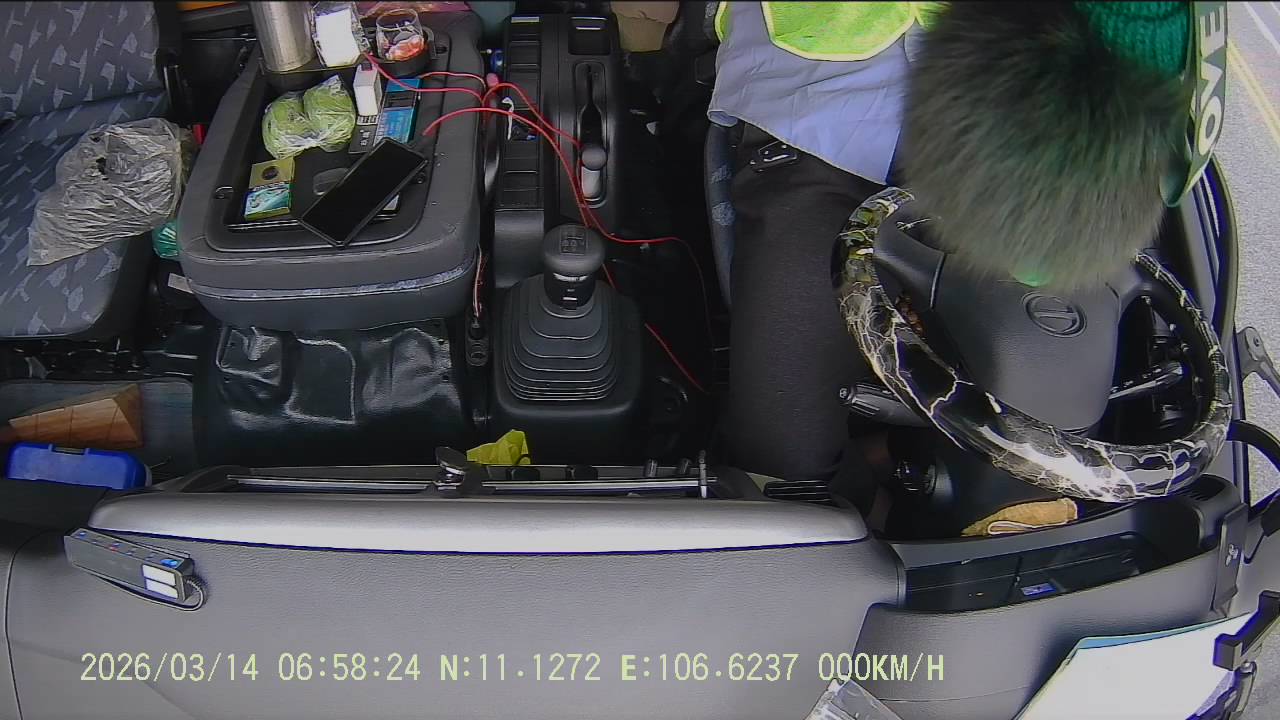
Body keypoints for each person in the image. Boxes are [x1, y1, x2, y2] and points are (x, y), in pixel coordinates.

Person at [710, 2, 1199, 482]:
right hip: (816, 104)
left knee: (1040, 442)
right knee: (782, 455)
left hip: (1027, 114)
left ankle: (910, 469)